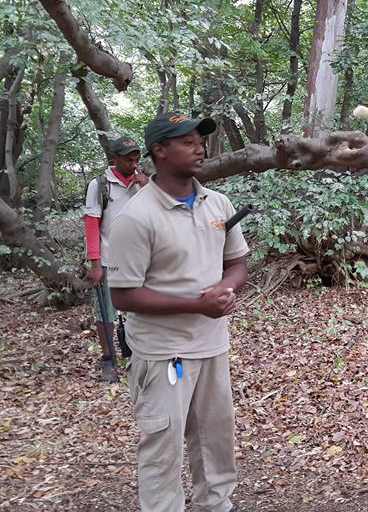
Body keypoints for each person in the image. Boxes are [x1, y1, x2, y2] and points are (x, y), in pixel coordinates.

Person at [108, 112, 248, 512]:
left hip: (212, 345)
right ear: (160, 150)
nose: (200, 149)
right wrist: (196, 306)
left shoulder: (217, 203)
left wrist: (225, 289)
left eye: (200, 141)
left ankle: (216, 504)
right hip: (163, 353)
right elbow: (124, 295)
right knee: (163, 445)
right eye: (187, 142)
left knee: (216, 437)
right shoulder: (137, 217)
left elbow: (237, 262)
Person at [83, 136, 149, 382]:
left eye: (136, 159)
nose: (134, 164)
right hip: (109, 258)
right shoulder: (100, 185)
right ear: (114, 158)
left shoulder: (143, 182)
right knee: (106, 313)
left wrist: (147, 187)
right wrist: (95, 263)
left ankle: (139, 354)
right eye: (129, 160)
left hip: (141, 259)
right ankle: (108, 359)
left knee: (141, 309)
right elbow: (92, 223)